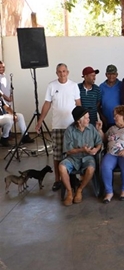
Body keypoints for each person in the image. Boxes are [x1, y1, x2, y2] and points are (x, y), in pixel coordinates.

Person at [36, 63, 81, 192]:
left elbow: (78, 104)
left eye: (64, 71)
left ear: (68, 72)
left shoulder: (73, 86)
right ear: (57, 73)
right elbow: (47, 104)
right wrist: (40, 121)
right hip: (57, 126)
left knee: (72, 153)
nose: (62, 74)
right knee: (57, 155)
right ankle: (57, 180)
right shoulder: (52, 86)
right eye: (59, 72)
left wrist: (80, 121)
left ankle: (72, 178)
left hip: (71, 126)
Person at [58, 106, 103, 206]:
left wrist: (96, 149)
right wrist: (81, 150)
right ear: (79, 120)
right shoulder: (70, 130)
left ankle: (80, 189)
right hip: (73, 158)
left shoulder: (91, 128)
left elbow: (99, 142)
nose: (89, 119)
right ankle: (70, 192)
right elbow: (68, 151)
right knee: (62, 166)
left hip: (88, 157)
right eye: (86, 118)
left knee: (91, 168)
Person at [98, 105, 124, 204]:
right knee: (105, 166)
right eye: (114, 115)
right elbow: (104, 139)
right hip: (111, 153)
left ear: (123, 115)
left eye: (117, 115)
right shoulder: (112, 128)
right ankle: (109, 192)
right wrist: (100, 130)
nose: (114, 118)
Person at [99, 64, 122, 132]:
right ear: (106, 74)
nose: (111, 76)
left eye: (113, 74)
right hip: (106, 121)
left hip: (120, 121)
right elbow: (98, 105)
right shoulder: (101, 87)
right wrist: (102, 117)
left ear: (117, 74)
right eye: (109, 74)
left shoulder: (122, 85)